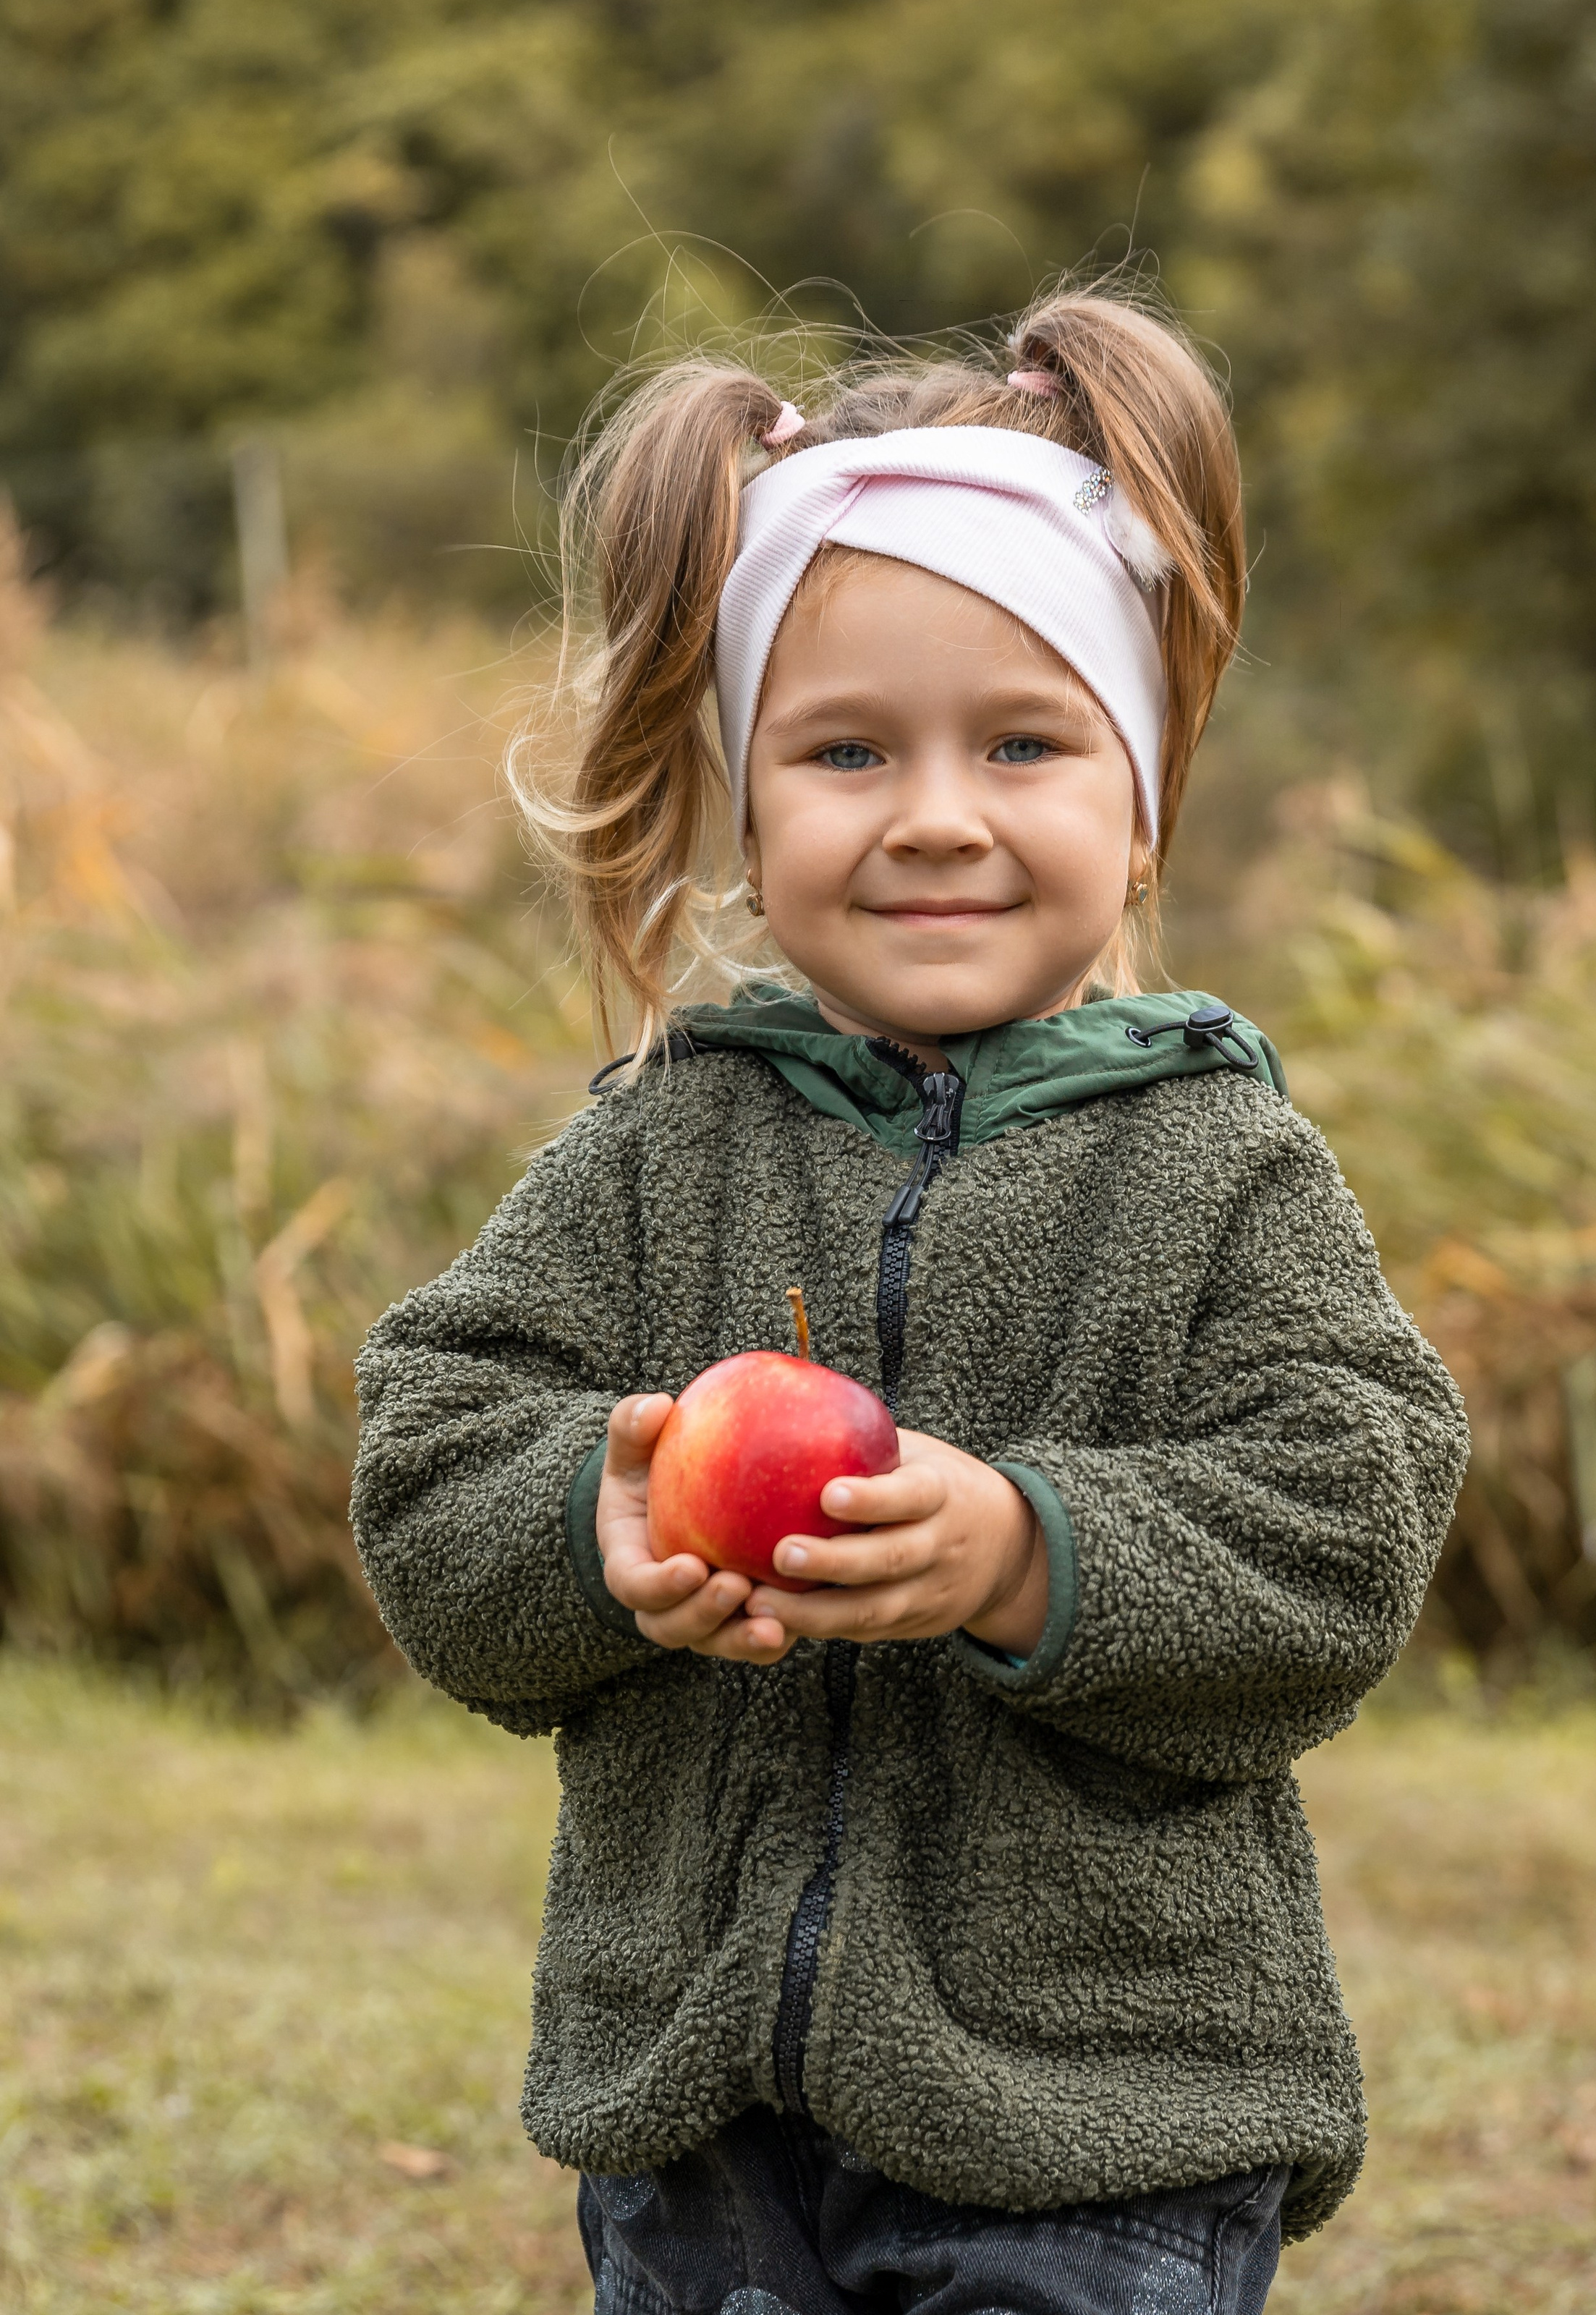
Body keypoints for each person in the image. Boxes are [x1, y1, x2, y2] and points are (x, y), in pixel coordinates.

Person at [350, 289, 1470, 2314]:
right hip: (700, 2130)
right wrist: (591, 1529)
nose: (936, 812)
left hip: (1103, 2123)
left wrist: (1029, 1550)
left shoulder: (1220, 1166)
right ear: (746, 808)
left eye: (1026, 743)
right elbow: (433, 1445)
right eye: (848, 748)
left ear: (1139, 799)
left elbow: (1347, 1516)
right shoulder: (657, 1143)